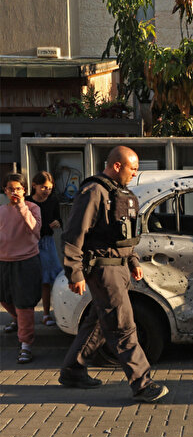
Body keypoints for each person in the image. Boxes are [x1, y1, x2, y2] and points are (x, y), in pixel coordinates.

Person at [58, 146, 169, 403]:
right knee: (122, 326)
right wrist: (74, 273)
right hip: (103, 270)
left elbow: (120, 234)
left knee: (97, 321)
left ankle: (73, 370)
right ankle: (142, 384)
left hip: (118, 268)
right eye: (132, 168)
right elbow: (74, 235)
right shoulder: (93, 191)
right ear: (117, 166)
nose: (135, 173)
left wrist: (132, 260)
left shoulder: (118, 193)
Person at [1, 173, 43, 364]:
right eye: (10, 188)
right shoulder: (1, 210)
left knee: (24, 304)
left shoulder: (33, 208)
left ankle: (25, 344)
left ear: (25, 190)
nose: (14, 192)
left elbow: (35, 230)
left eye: (18, 188)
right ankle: (18, 321)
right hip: (4, 261)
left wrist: (21, 207)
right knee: (5, 297)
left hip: (26, 260)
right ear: (5, 191)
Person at [26, 171, 64, 327]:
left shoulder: (53, 201)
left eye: (49, 188)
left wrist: (57, 222)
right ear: (34, 186)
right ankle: (21, 317)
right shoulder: (27, 201)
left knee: (49, 280)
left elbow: (58, 218)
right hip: (30, 243)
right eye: (43, 187)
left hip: (47, 243)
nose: (47, 191)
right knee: (30, 281)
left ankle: (47, 314)